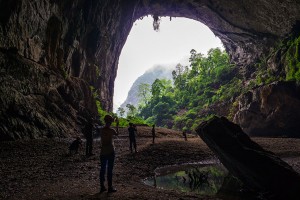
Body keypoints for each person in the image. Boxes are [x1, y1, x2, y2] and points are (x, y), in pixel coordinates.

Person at [99, 115, 119, 193]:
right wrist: (117, 125)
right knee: (110, 169)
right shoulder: (112, 130)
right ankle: (110, 187)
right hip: (110, 151)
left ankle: (102, 187)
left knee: (102, 169)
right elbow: (117, 134)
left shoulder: (101, 130)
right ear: (110, 122)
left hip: (103, 152)